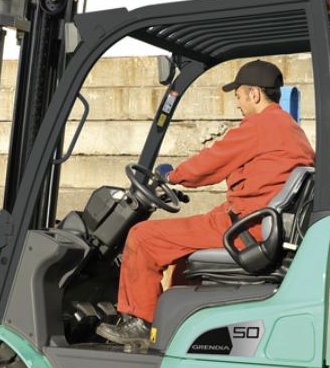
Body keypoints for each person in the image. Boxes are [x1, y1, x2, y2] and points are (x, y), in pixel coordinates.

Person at [96, 59, 315, 348]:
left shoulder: (260, 125)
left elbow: (210, 163)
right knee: (181, 261)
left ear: (254, 94)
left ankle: (140, 322)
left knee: (143, 238)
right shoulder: (292, 130)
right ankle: (177, 326)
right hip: (260, 223)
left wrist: (172, 176)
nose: (237, 103)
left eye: (238, 95)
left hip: (244, 227)